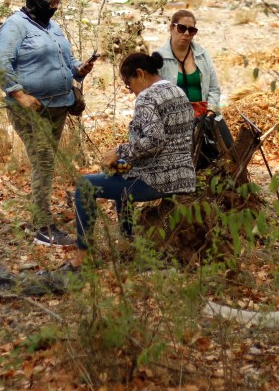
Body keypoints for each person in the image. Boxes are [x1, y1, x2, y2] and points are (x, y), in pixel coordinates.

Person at [0, 0, 97, 246]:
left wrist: (79, 68)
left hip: (59, 105)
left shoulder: (53, 27)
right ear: (37, 1)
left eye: (58, 2)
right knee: (44, 161)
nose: (55, 7)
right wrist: (19, 95)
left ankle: (42, 217)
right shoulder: (15, 26)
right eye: (51, 2)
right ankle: (42, 226)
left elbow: (65, 59)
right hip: (31, 109)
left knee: (46, 161)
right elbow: (1, 63)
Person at [72, 52, 195, 266]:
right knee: (122, 175)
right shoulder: (177, 92)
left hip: (156, 180)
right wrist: (126, 159)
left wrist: (120, 151)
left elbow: (154, 140)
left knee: (85, 185)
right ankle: (127, 242)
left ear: (140, 74)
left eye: (129, 85)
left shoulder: (147, 97)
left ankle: (82, 257)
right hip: (183, 177)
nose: (131, 92)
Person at [156, 10, 233, 167]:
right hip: (175, 119)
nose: (186, 33)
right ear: (171, 28)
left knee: (230, 151)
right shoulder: (158, 58)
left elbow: (214, 88)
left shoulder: (202, 55)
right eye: (181, 28)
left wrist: (211, 110)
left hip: (205, 113)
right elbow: (154, 94)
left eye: (191, 30)